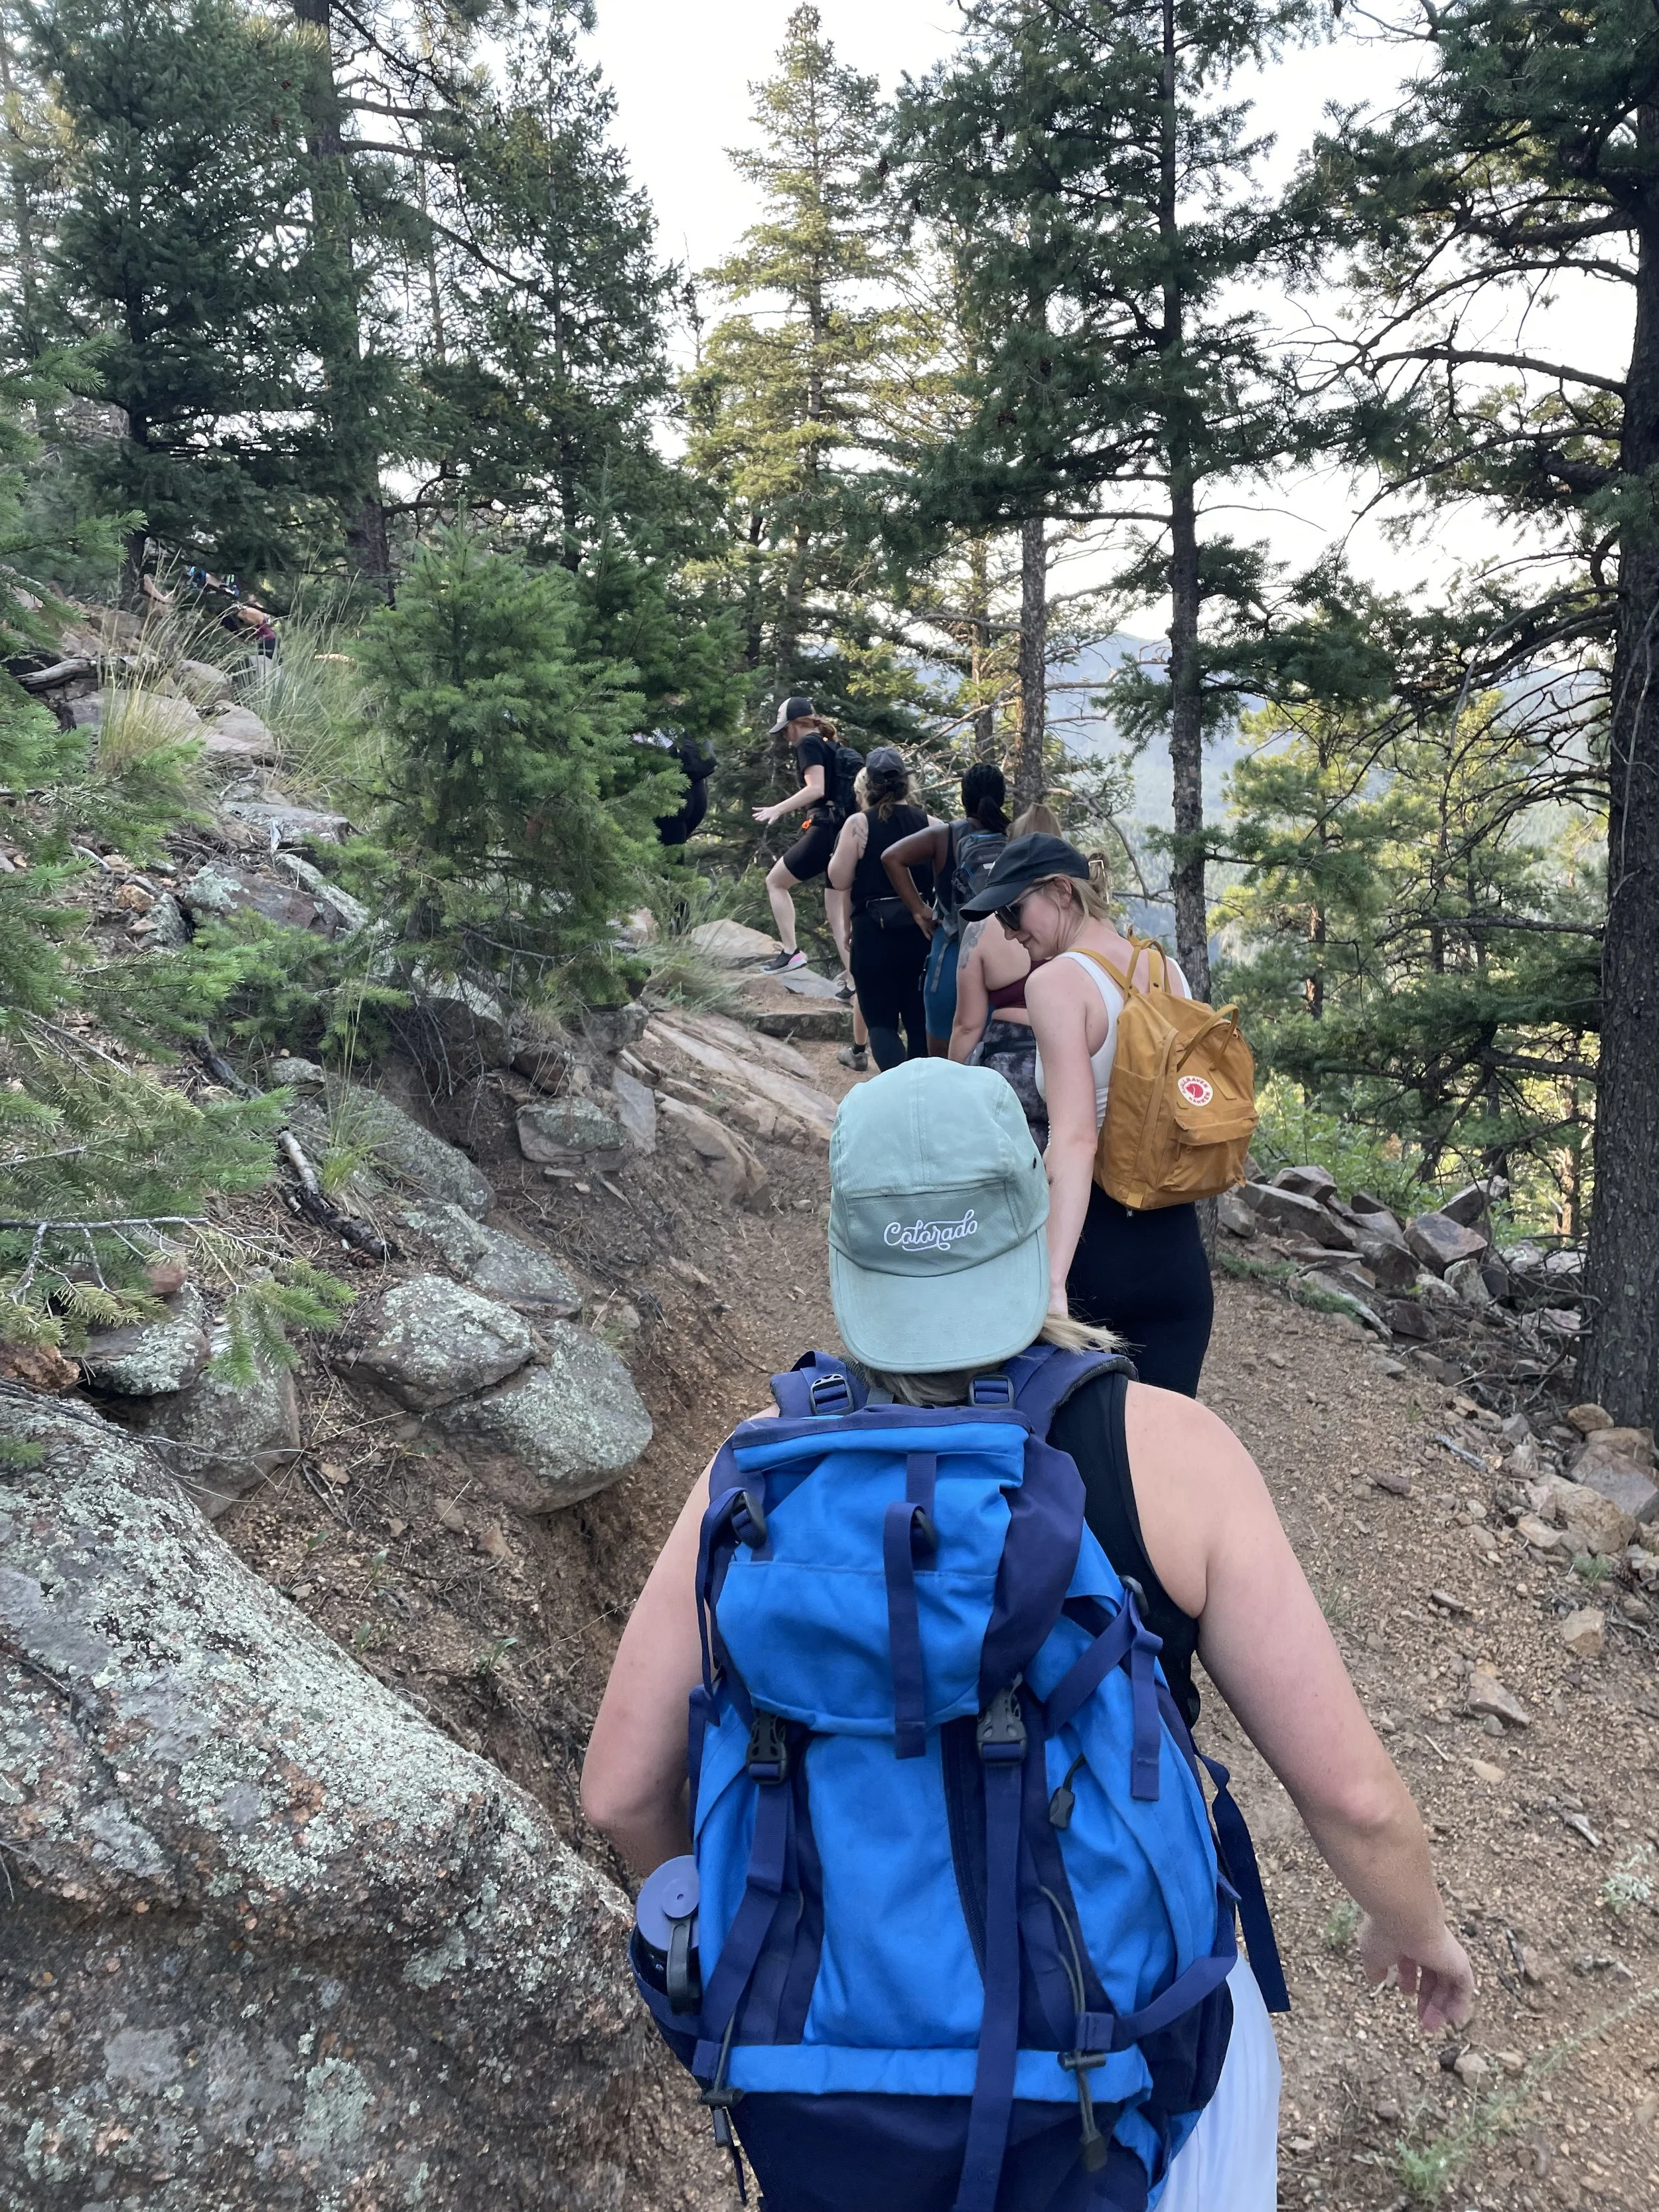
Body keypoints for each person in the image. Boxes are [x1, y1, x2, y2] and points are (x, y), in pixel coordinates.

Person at [583, 1060, 1475, 2212]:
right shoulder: (1167, 1450)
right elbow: (1350, 1793)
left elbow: (618, 1790)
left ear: (850, 1253)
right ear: (1032, 1220)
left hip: (828, 2075)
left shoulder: (755, 1474)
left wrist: (721, 1927)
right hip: (1121, 2054)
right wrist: (1414, 1925)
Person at [959, 832, 1213, 1397]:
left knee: (1076, 1468)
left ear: (1059, 892)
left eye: (1012, 908)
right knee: (1155, 1462)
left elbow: (1075, 1138)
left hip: (1094, 1257)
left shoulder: (1056, 982)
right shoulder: (1166, 970)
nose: (1007, 928)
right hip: (1178, 1256)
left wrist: (1050, 1285)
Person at [948, 805, 1062, 1142]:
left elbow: (967, 1025)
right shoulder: (1078, 923)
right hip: (1068, 1062)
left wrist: (952, 1087)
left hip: (1006, 1064)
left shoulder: (984, 927)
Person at [881, 763, 1009, 1053]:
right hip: (1003, 959)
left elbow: (891, 857)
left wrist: (919, 909)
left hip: (951, 954)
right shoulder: (1013, 839)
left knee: (942, 1058)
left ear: (964, 799)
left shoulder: (945, 836)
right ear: (1001, 798)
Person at [826, 749, 941, 1070]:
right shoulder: (930, 824)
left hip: (872, 932)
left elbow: (838, 878)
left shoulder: (859, 824)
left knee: (881, 1023)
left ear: (868, 785)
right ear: (907, 783)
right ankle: (919, 1091)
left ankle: (896, 1088)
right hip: (921, 935)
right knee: (919, 1024)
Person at [752, 696, 847, 974]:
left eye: (785, 729)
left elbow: (816, 789)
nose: (785, 736)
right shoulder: (830, 744)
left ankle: (791, 952)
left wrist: (777, 809)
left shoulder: (808, 743)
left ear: (795, 725)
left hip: (824, 830)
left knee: (775, 882)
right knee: (836, 916)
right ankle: (855, 984)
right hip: (842, 833)